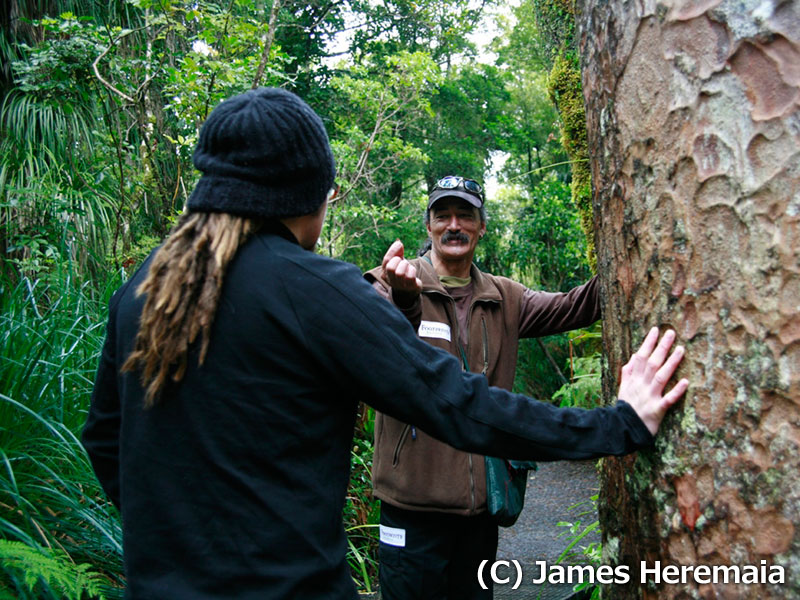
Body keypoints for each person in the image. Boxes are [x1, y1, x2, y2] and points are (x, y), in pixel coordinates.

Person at [81, 87, 689, 600]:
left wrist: (174, 546)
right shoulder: (315, 290)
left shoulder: (149, 285)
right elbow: (455, 402)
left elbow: (106, 437)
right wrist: (620, 424)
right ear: (311, 194)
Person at [364, 177, 605, 599]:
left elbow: (574, 306)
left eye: (465, 216)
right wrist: (406, 302)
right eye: (443, 216)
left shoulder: (504, 297)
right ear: (429, 227)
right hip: (410, 507)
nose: (454, 225)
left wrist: (629, 261)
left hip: (479, 511)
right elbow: (374, 344)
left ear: (481, 227)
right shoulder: (389, 282)